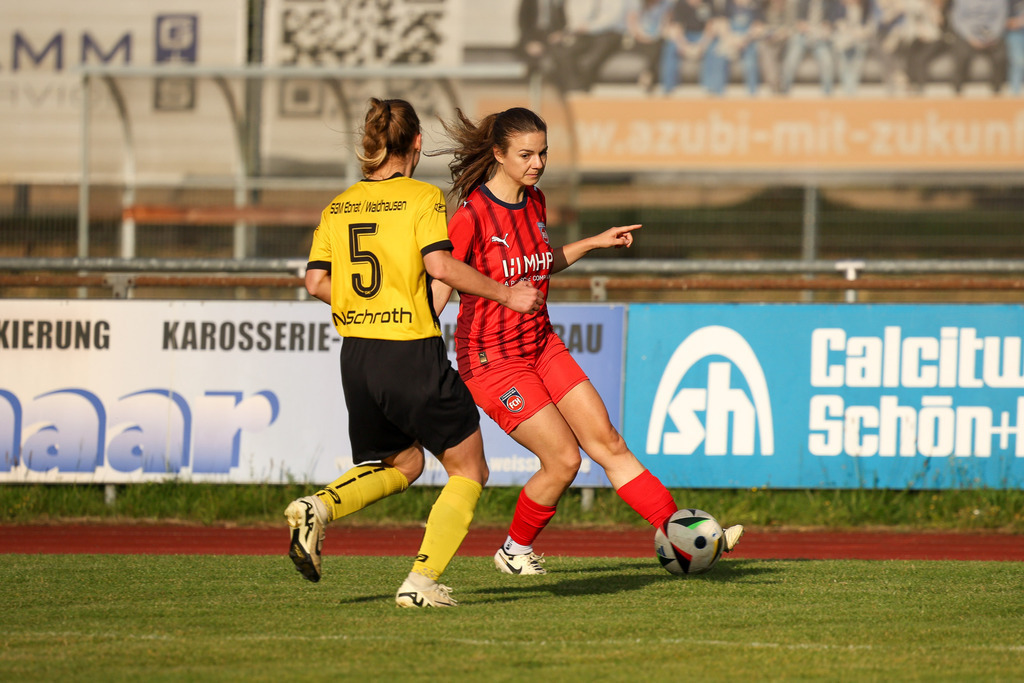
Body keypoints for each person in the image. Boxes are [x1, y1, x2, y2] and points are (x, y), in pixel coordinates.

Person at [430, 106, 744, 575]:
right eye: (525, 154)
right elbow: (440, 284)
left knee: (608, 443)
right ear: (498, 154)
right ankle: (513, 551)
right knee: (563, 460)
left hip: (541, 345)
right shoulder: (471, 216)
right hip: (492, 361)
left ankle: (683, 534)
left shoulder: (534, 201)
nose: (536, 163)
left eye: (543, 153)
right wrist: (411, 346)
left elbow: (541, 262)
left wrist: (593, 243)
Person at [284, 98, 544, 608]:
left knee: (403, 464)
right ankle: (422, 582)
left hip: (358, 357)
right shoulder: (422, 198)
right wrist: (508, 294)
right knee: (470, 471)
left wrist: (367, 305)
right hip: (411, 351)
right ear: (418, 143)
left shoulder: (338, 206)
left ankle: (320, 506)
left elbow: (315, 281)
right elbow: (442, 268)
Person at [948, 0, 1009, 95]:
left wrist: (992, 36)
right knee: (960, 55)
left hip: (991, 35)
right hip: (968, 35)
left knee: (1000, 56)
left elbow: (1001, 18)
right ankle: (957, 91)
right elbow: (957, 20)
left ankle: (996, 91)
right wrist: (970, 37)